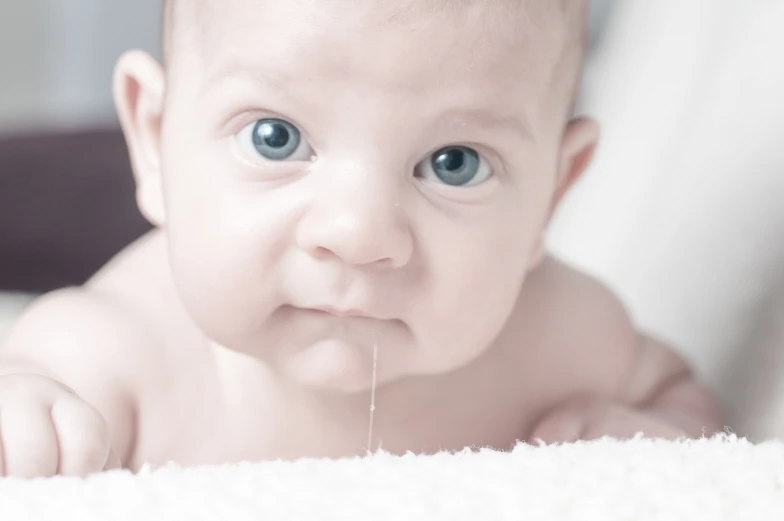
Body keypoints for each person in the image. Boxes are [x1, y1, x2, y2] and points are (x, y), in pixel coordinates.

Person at [0, 0, 720, 478]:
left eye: (453, 163)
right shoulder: (119, 356)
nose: (359, 235)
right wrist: (25, 411)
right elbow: (22, 395)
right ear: (154, 139)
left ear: (552, 195)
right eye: (275, 138)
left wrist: (652, 431)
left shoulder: (560, 340)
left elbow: (680, 397)